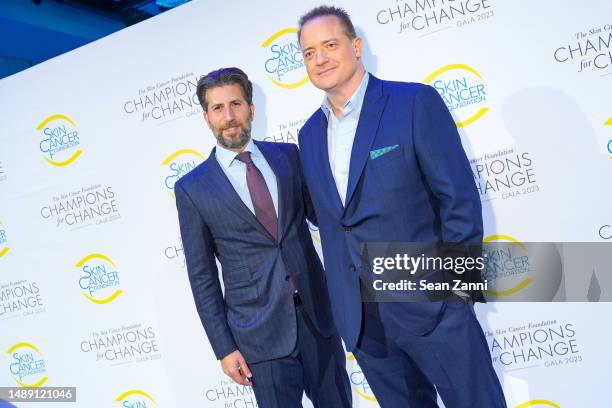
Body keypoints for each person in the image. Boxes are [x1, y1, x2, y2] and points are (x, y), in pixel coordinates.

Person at [296, 6, 507, 408]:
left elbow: (458, 197)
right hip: (363, 324)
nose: (319, 58)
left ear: (356, 47)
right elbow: (332, 218)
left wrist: (457, 291)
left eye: (329, 45)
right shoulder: (309, 135)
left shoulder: (412, 102)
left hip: (433, 308)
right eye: (309, 53)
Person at [174, 67, 351, 408]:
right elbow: (203, 278)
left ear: (251, 109)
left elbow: (325, 218)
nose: (229, 116)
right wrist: (224, 348)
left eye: (236, 104)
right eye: (218, 108)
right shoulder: (193, 189)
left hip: (318, 320)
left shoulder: (288, 156)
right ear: (206, 118)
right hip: (258, 337)